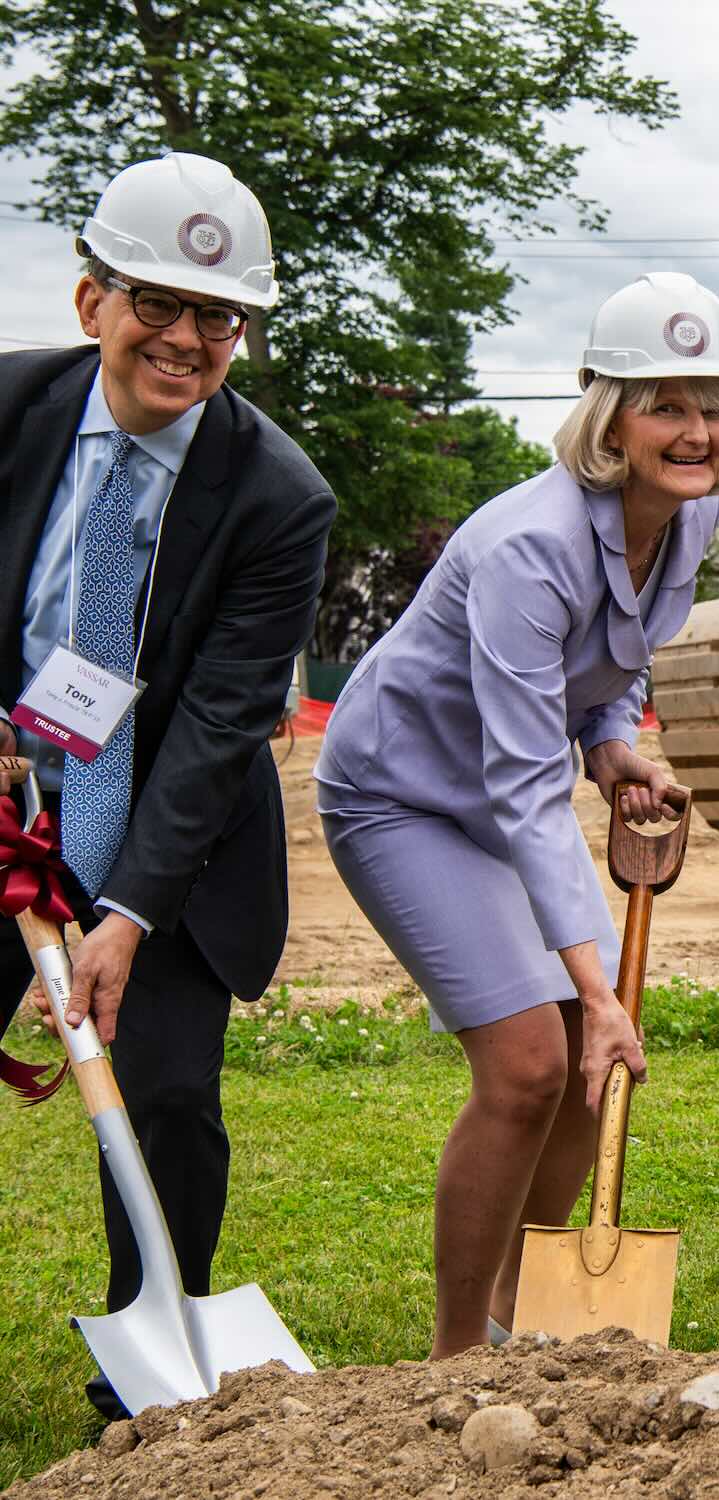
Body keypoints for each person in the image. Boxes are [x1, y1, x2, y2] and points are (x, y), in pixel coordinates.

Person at [314, 272, 719, 1358]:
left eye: (714, 405)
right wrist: (599, 989)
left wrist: (612, 746)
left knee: (583, 1072)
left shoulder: (688, 525)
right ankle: (455, 1354)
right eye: (666, 405)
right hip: (403, 797)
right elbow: (521, 783)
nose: (696, 432)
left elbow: (602, 669)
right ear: (610, 417)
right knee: (528, 1062)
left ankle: (523, 1323)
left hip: (497, 797)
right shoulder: (529, 544)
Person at [0, 152, 336, 1418]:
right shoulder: (9, 409)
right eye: (157, 302)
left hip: (173, 833)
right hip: (7, 792)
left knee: (172, 1099)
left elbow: (218, 724)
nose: (185, 339)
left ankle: (149, 1370)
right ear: (94, 302)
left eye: (218, 316)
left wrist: (128, 911)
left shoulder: (279, 495)